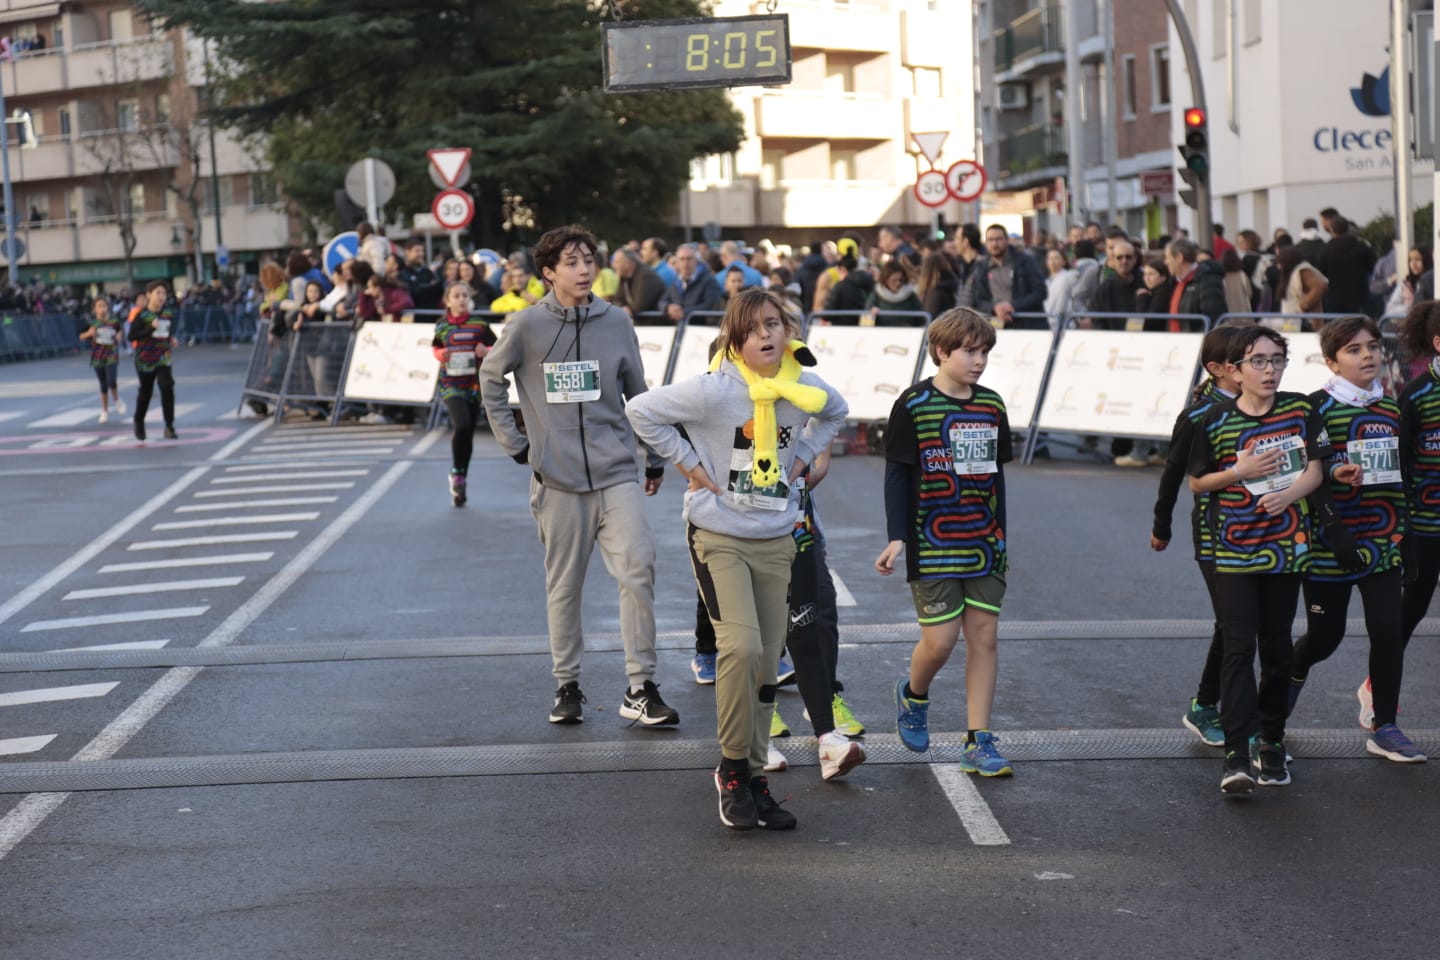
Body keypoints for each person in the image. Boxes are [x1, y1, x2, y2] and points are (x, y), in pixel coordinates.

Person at [626, 287, 850, 830]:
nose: (766, 335)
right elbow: (640, 410)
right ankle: (730, 770)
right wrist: (687, 463)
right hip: (718, 535)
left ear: (788, 329)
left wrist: (800, 459)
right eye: (752, 329)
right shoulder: (714, 391)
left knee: (767, 662)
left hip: (776, 536)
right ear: (734, 339)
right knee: (742, 647)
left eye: (773, 324)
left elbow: (837, 412)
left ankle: (754, 776)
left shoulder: (802, 388)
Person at [477, 224, 679, 728]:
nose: (584, 269)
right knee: (564, 587)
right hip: (557, 480)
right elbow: (490, 377)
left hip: (616, 472)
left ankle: (641, 686)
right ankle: (566, 685)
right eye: (571, 262)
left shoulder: (616, 322)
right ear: (548, 272)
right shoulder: (526, 325)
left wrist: (654, 456)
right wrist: (516, 444)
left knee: (638, 569)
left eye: (588, 259)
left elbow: (639, 393)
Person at [1187, 326, 1329, 793]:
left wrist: (1287, 497)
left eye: (1277, 360)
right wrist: (1238, 471)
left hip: (1286, 549)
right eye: (1258, 362)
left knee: (1276, 649)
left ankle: (1271, 740)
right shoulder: (1213, 419)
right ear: (1235, 370)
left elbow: (1316, 470)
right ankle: (1235, 754)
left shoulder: (1299, 409)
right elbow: (1197, 482)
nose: (1270, 370)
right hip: (1234, 551)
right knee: (1237, 648)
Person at [877, 307, 1016, 777]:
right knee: (939, 642)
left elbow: (996, 476)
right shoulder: (914, 404)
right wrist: (897, 536)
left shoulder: (992, 405)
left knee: (985, 636)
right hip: (932, 540)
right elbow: (897, 474)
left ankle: (979, 740)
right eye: (969, 352)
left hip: (984, 543)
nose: (979, 361)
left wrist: (1000, 534)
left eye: (985, 353)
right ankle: (914, 695)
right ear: (941, 351)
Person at [1286, 316, 1425, 762]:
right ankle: (1275, 706)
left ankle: (1384, 726)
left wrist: (1407, 536)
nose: (1368, 355)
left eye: (1373, 347)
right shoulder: (1315, 408)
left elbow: (1400, 475)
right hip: (1330, 543)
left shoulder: (1390, 407)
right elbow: (1308, 473)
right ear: (1331, 362)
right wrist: (1334, 523)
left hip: (1382, 539)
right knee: (1324, 638)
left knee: (1388, 630)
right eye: (1354, 350)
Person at [1151, 325, 1245, 748]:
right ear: (1217, 368)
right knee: (1232, 622)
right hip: (1214, 531)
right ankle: (1206, 705)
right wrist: (1162, 525)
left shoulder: (1265, 407)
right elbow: (1173, 473)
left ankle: (1245, 713)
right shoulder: (1196, 416)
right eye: (1241, 361)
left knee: (1246, 623)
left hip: (1262, 530)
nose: (1252, 368)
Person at [1397, 300, 1440, 654]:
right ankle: (1380, 676)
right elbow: (1400, 462)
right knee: (1415, 603)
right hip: (1427, 523)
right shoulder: (1417, 394)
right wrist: (1404, 523)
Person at [431, 282, 497, 507]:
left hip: (474, 386)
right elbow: (435, 347)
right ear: (447, 301)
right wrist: (441, 354)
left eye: (465, 296)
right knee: (462, 425)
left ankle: (460, 477)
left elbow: (498, 347)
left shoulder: (480, 325)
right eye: (456, 296)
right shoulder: (442, 326)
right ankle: (456, 471)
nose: (461, 299)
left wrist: (486, 351)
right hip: (451, 384)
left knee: (468, 432)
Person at [129, 280, 178, 442]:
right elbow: (132, 336)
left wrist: (171, 339)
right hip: (145, 358)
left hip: (163, 356)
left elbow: (167, 331)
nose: (161, 297)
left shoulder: (167, 313)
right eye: (158, 293)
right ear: (149, 295)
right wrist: (150, 328)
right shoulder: (142, 315)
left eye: (164, 293)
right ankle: (139, 421)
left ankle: (169, 426)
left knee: (167, 386)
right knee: (146, 391)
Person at [976, 224, 1046, 328]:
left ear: (1007, 240)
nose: (994, 244)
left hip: (1027, 325)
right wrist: (994, 308)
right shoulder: (982, 267)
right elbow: (978, 300)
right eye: (990, 240)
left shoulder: (1025, 262)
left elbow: (1041, 292)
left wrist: (1013, 306)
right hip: (997, 325)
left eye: (998, 239)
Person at [1319, 209, 1376, 315]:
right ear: (1347, 229)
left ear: (1332, 230)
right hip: (1359, 298)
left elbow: (1321, 274)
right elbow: (1373, 269)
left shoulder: (1325, 251)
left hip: (1333, 299)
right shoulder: (1362, 248)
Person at [79, 296, 125, 423]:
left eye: (104, 306)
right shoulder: (92, 323)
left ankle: (117, 400)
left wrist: (118, 336)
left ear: (108, 308)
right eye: (99, 306)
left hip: (111, 355)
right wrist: (89, 334)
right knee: (103, 385)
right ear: (94, 309)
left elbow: (119, 333)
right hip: (98, 357)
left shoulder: (114, 321)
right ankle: (104, 411)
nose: (102, 309)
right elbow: (81, 336)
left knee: (112, 381)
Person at [1165, 237, 1227, 328]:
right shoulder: (1175, 282)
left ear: (1179, 258)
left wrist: (1200, 336)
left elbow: (1213, 318)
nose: (1166, 262)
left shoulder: (1207, 280)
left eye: (1167, 257)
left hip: (1197, 337)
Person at [658, 243, 722, 322]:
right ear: (677, 262)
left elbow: (710, 305)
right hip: (678, 326)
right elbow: (662, 301)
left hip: (699, 326)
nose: (686, 262)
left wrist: (684, 313)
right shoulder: (676, 281)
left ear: (696, 261)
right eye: (682, 259)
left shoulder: (709, 280)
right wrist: (668, 307)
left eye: (689, 259)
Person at [1090, 240, 1144, 325]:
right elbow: (1097, 319)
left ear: (1135, 259)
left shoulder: (1146, 283)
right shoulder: (1104, 289)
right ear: (1113, 261)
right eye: (1119, 257)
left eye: (1128, 257)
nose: (1124, 261)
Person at [1276, 246, 1327, 326]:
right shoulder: (1291, 273)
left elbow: (1319, 286)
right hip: (1292, 322)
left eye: (1281, 263)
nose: (1279, 267)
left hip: (1304, 322)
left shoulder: (1303, 271)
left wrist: (1303, 306)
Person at [611, 247, 666, 317]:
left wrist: (625, 308)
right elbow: (617, 301)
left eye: (617, 262)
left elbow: (640, 306)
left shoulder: (646, 276)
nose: (613, 265)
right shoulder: (624, 277)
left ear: (628, 264)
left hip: (655, 320)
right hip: (639, 320)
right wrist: (622, 307)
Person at [865, 259, 923, 325]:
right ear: (886, 280)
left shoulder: (911, 296)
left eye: (900, 280)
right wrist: (871, 316)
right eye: (894, 280)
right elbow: (865, 324)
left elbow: (920, 320)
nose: (898, 283)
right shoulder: (876, 295)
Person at [1386, 246, 1433, 314]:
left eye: (1418, 259)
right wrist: (1410, 308)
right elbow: (1390, 308)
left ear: (1427, 260)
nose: (1413, 264)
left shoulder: (1433, 282)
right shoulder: (1405, 285)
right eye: (1410, 260)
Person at [398, 238, 442, 311]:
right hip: (414, 314)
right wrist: (430, 287)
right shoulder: (402, 273)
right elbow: (412, 293)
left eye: (422, 251)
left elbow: (439, 290)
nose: (421, 254)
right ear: (407, 252)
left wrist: (421, 288)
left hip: (432, 313)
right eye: (417, 251)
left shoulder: (427, 271)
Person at [1042, 247, 1077, 322]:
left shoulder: (1069, 277)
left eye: (1056, 258)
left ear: (1064, 262)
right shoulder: (1046, 281)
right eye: (1050, 259)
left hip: (1064, 321)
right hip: (1047, 321)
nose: (1052, 262)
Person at [1221, 248, 1253, 315]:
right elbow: (1249, 293)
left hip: (1227, 312)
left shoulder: (1222, 276)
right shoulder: (1242, 274)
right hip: (1243, 310)